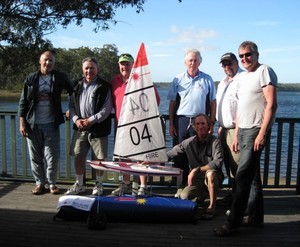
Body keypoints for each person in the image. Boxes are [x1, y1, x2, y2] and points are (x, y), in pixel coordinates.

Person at [214, 41, 278, 236]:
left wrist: (262, 133)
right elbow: (241, 108)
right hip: (242, 131)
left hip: (255, 131)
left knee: (241, 177)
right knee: (252, 178)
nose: (244, 59)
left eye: (248, 55)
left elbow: (271, 104)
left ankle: (233, 222)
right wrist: (237, 134)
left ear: (257, 54)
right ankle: (255, 219)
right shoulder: (243, 78)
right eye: (241, 56)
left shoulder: (264, 71)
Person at [18, 50, 73, 195]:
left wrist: (70, 108)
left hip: (51, 123)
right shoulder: (31, 79)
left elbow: (73, 91)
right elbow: (23, 102)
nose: (48, 63)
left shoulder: (59, 78)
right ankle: (39, 183)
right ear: (40, 61)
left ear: (54, 63)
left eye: (51, 61)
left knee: (52, 156)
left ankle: (52, 183)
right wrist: (22, 123)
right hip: (32, 124)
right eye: (46, 60)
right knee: (35, 156)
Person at [110, 53, 161, 196]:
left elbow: (155, 100)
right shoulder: (114, 81)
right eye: (122, 64)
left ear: (133, 65)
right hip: (121, 125)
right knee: (123, 156)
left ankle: (142, 186)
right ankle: (126, 185)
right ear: (119, 65)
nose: (124, 66)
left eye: (127, 64)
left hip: (139, 124)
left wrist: (142, 116)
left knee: (142, 156)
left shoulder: (143, 80)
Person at [167, 48, 216, 193]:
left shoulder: (207, 79)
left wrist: (211, 122)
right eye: (190, 60)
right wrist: (171, 123)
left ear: (200, 62)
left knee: (198, 155)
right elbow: (172, 103)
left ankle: (197, 188)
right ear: (185, 62)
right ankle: (180, 187)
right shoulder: (178, 79)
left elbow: (213, 102)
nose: (192, 63)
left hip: (200, 122)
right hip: (181, 121)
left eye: (195, 60)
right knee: (179, 155)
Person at [66, 57, 112, 196]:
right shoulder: (76, 85)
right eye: (86, 68)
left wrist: (91, 120)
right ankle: (80, 184)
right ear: (82, 69)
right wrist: (76, 120)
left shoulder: (104, 86)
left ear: (97, 69)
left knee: (99, 158)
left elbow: (106, 108)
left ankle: (99, 184)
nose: (89, 70)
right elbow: (71, 106)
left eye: (92, 68)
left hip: (98, 128)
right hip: (80, 128)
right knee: (78, 156)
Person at [167, 114, 224, 218]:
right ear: (194, 126)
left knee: (210, 174)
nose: (200, 126)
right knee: (184, 197)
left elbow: (217, 162)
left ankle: (212, 206)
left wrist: (196, 170)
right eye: (197, 124)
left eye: (203, 123)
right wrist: (153, 160)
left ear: (208, 126)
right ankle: (200, 196)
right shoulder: (188, 142)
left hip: (213, 176)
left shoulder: (215, 142)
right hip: (197, 178)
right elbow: (171, 153)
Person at [216, 52, 243, 205]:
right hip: (224, 130)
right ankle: (234, 196)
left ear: (236, 62)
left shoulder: (242, 80)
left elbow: (242, 109)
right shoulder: (223, 82)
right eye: (224, 64)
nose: (227, 67)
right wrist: (220, 126)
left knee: (238, 166)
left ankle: (240, 201)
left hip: (235, 130)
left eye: (229, 63)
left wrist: (238, 135)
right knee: (228, 165)